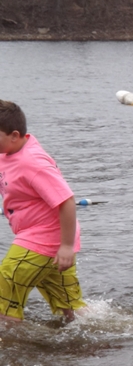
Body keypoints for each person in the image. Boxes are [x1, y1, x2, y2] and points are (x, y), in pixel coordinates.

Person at [0, 100, 85, 326]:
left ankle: (10, 341)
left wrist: (66, 247)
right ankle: (108, 331)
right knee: (71, 307)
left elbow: (66, 201)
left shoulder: (32, 163)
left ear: (14, 135)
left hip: (46, 238)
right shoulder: (8, 150)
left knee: (5, 286)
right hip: (48, 241)